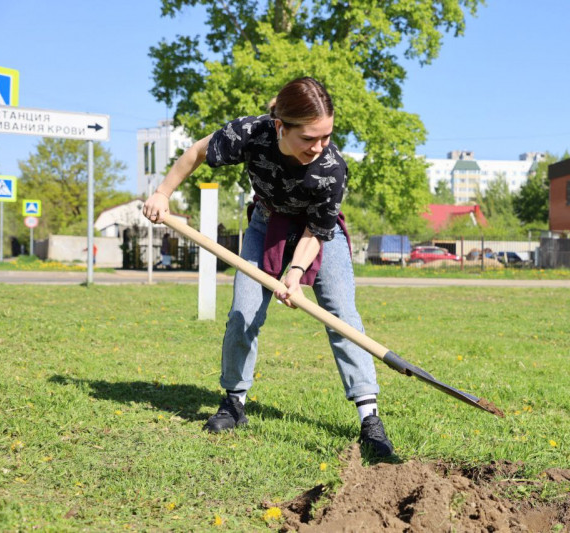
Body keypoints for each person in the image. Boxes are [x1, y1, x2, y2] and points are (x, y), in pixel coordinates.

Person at [142, 77, 393, 457]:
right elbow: (196, 153)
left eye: (326, 136)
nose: (319, 146)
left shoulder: (332, 168)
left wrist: (294, 274)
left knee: (341, 314)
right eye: (310, 138)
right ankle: (234, 402)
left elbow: (317, 230)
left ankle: (369, 417)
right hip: (267, 223)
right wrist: (163, 193)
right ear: (281, 126)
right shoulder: (250, 133)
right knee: (242, 312)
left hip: (317, 232)